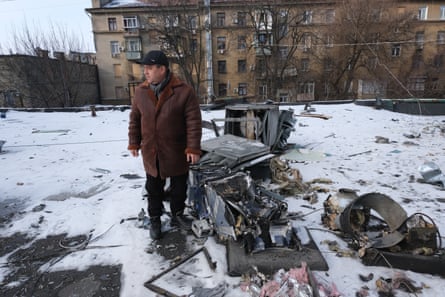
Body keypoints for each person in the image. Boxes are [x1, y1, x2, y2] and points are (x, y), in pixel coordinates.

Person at [128, 50, 202, 240]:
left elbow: (193, 121)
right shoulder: (140, 92)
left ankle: (177, 215)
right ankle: (155, 219)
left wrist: (193, 148)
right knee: (154, 188)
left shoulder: (184, 91)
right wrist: (134, 142)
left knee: (179, 188)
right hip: (151, 151)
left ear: (163, 69)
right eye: (145, 68)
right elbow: (135, 119)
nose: (146, 72)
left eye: (150, 68)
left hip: (176, 150)